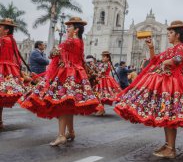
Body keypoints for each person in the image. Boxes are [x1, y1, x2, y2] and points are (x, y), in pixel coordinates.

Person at [114, 20, 183, 158]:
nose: (168, 35)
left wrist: (167, 62)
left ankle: (171, 148)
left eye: (170, 33)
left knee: (170, 115)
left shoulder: (181, 47)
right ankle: (168, 145)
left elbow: (179, 59)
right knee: (167, 115)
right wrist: (151, 48)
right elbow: (155, 60)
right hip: (167, 82)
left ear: (177, 35)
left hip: (174, 84)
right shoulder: (171, 49)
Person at [19, 17, 100, 146]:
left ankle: (62, 135)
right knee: (68, 104)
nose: (67, 28)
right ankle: (71, 131)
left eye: (70, 27)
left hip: (67, 74)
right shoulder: (79, 41)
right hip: (76, 74)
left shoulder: (70, 42)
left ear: (76, 29)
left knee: (61, 103)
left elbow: (52, 54)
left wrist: (57, 50)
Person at [0, 18, 25, 129]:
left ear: (6, 30)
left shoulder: (4, 40)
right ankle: (0, 121)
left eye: (0, 27)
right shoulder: (11, 40)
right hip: (9, 69)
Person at [93, 51, 121, 116]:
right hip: (101, 79)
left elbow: (102, 72)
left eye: (104, 57)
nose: (103, 58)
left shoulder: (107, 64)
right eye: (102, 56)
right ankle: (101, 109)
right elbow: (99, 71)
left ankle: (101, 110)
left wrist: (96, 71)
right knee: (99, 95)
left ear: (108, 58)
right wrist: (95, 68)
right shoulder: (102, 64)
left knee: (101, 95)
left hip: (104, 80)